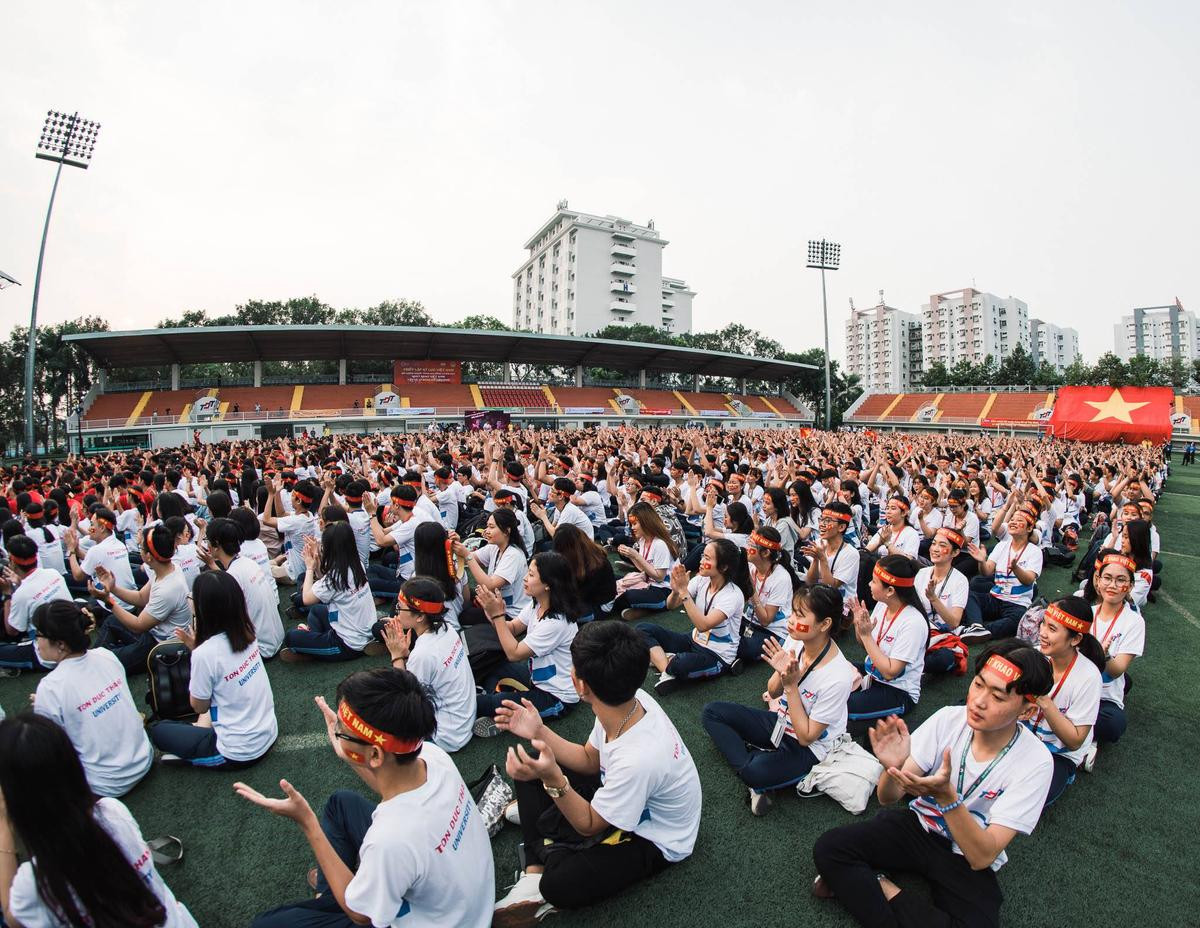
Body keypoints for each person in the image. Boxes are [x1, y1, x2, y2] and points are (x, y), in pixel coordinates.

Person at [812, 641, 1054, 928]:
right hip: (919, 826)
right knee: (830, 848)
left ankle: (879, 885)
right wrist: (892, 768)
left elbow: (982, 856)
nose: (978, 701)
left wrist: (947, 798)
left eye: (998, 697)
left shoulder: (1037, 761)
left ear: (1026, 711)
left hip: (965, 852)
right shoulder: (949, 719)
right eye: (978, 684)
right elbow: (889, 797)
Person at [237, 668, 494, 928]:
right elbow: (387, 780)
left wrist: (307, 823)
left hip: (440, 919)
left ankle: (339, 895)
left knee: (266, 923)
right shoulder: (431, 755)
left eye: (343, 730)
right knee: (341, 804)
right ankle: (332, 893)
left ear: (374, 755)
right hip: (464, 901)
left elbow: (362, 916)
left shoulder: (389, 840)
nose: (337, 730)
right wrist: (345, 751)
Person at [491, 620, 701, 923]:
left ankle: (540, 861)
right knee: (533, 761)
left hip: (658, 839)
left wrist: (553, 779)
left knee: (558, 885)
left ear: (581, 685)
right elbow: (591, 759)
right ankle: (533, 871)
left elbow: (588, 825)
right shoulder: (631, 699)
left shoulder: (637, 758)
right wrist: (539, 730)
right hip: (626, 792)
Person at [0, 713, 197, 928]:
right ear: (73, 766)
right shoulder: (113, 812)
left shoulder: (35, 884)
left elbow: (12, 917)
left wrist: (3, 823)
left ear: (15, 798)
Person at [702, 584, 854, 815]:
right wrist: (780, 673)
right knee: (712, 712)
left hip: (809, 747)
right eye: (792, 612)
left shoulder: (838, 676)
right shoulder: (795, 640)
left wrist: (791, 686)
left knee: (754, 771)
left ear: (825, 624)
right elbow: (772, 692)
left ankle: (756, 769)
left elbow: (806, 737)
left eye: (800, 615)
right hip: (782, 722)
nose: (791, 620)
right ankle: (758, 767)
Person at [149, 571, 278, 769]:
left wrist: (197, 653)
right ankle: (198, 735)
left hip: (238, 752)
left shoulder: (206, 653)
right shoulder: (247, 631)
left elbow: (199, 707)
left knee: (158, 730)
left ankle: (196, 748)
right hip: (268, 730)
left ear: (204, 609)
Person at [30, 600, 153, 797]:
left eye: (38, 635)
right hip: (144, 758)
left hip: (107, 784)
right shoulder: (106, 656)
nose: (36, 642)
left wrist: (45, 704)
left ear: (60, 644)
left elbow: (53, 748)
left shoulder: (50, 688)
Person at [473, 552, 581, 736]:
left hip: (556, 698)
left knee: (485, 703)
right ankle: (497, 700)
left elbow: (513, 653)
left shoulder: (555, 622)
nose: (525, 578)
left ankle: (497, 710)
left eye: (531, 575)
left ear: (548, 584)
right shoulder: (537, 604)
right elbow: (513, 628)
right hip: (536, 680)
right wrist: (491, 611)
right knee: (493, 666)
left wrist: (498, 615)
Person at [639, 538, 753, 694]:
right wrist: (675, 590)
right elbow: (671, 605)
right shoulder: (701, 580)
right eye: (702, 556)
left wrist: (684, 592)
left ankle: (667, 662)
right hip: (693, 640)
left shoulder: (733, 595)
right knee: (643, 630)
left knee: (681, 663)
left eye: (707, 558)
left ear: (724, 567)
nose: (700, 561)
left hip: (717, 655)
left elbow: (703, 625)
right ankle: (668, 669)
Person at [380, 577, 475, 752]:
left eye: (400, 608)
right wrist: (406, 654)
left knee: (382, 722)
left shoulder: (423, 653)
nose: (396, 612)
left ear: (420, 616)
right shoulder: (448, 628)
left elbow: (406, 702)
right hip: (464, 720)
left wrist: (396, 656)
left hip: (446, 737)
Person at [1030, 597, 1104, 805]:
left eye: (1052, 629)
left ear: (1075, 639)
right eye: (1044, 623)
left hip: (1058, 753)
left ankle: (1075, 765)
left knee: (1032, 801)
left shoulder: (1089, 677)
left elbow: (1074, 741)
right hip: (1021, 737)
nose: (1043, 632)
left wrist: (1043, 700)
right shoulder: (1035, 656)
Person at [93, 524, 193, 674]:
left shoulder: (168, 589)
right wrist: (113, 588)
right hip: (153, 633)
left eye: (141, 548)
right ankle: (102, 657)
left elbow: (138, 625)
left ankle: (99, 662)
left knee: (104, 663)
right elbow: (141, 598)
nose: (140, 550)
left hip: (161, 646)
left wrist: (109, 600)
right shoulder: (167, 568)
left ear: (148, 557)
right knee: (111, 621)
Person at [1080, 551, 1145, 765]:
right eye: (1107, 578)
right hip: (1074, 689)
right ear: (1097, 581)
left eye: (1121, 580)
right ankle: (1083, 734)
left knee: (1113, 724)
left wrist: (1104, 655)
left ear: (1131, 586)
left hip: (1104, 696)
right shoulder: (1085, 612)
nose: (1113, 585)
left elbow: (1118, 670)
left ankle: (1084, 735)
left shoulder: (1134, 622)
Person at [281, 522, 378, 663]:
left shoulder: (335, 578)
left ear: (331, 549)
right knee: (316, 611)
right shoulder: (356, 564)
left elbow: (306, 598)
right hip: (363, 632)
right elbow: (324, 581)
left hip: (347, 645)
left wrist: (309, 567)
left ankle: (313, 648)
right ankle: (313, 642)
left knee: (290, 638)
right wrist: (317, 558)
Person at [846, 556, 927, 722]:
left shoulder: (913, 622)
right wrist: (858, 626)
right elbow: (865, 645)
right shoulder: (884, 605)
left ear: (890, 591)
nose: (869, 584)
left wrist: (866, 635)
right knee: (829, 670)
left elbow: (890, 672)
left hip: (897, 691)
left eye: (874, 581)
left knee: (839, 707)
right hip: (873, 672)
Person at [201, 517, 285, 659]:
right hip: (277, 638)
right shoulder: (247, 562)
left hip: (261, 649)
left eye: (206, 539)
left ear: (215, 545)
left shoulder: (234, 573)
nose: (206, 543)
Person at [959, 504, 1043, 642]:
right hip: (995, 597)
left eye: (1019, 521)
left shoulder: (1034, 551)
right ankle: (977, 627)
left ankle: (982, 629)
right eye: (1012, 520)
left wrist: (1016, 568)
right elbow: (987, 572)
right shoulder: (1001, 545)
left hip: (1017, 603)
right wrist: (981, 561)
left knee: (1016, 620)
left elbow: (1029, 580)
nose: (1013, 522)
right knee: (968, 595)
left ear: (1029, 528)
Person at [0, 534, 71, 675]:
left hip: (48, 657)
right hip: (73, 641)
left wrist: (8, 593)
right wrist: (20, 584)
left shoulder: (22, 593)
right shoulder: (53, 573)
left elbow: (12, 630)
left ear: (12, 562)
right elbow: (36, 593)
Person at [454, 508, 530, 625]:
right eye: (487, 526)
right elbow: (468, 559)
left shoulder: (513, 555)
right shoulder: (495, 547)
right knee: (463, 596)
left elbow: (490, 585)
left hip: (510, 613)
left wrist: (467, 555)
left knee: (465, 615)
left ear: (506, 531)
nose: (486, 531)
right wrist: (456, 544)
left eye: (491, 527)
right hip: (495, 602)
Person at [737, 525, 799, 661]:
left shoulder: (781, 577)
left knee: (745, 648)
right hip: (750, 620)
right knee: (721, 625)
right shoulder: (751, 567)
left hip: (772, 630)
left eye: (752, 546)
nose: (747, 549)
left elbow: (766, 620)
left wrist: (751, 589)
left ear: (765, 553)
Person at [915, 527, 971, 675]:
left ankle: (911, 666)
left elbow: (954, 622)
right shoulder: (921, 574)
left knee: (943, 659)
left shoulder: (960, 580)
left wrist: (934, 599)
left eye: (942, 545)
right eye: (934, 543)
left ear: (955, 552)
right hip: (920, 630)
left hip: (943, 636)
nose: (935, 549)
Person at [609, 502, 678, 622]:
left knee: (627, 596)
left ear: (646, 522)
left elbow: (659, 577)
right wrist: (631, 556)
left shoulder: (660, 544)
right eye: (632, 524)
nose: (632, 528)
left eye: (635, 524)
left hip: (663, 590)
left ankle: (653, 608)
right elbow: (643, 569)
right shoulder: (642, 541)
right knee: (609, 578)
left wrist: (636, 556)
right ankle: (641, 609)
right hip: (648, 583)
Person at [552, 523, 616, 621]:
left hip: (599, 605)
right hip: (587, 598)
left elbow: (579, 596)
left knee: (559, 616)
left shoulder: (595, 564)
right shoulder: (582, 555)